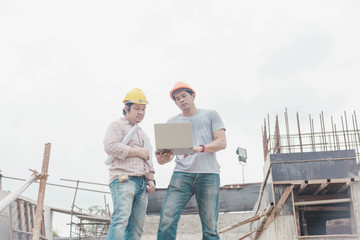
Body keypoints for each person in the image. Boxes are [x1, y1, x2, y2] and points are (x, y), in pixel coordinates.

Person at [156, 81, 226, 240]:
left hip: (208, 174)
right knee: (167, 218)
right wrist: (161, 158)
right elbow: (165, 159)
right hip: (181, 175)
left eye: (184, 96)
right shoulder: (171, 122)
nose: (181, 100)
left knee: (210, 227)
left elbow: (222, 142)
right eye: (177, 98)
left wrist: (199, 148)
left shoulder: (210, 115)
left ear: (193, 95)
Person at [104, 88, 156, 240]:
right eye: (137, 108)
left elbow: (149, 158)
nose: (141, 112)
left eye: (143, 109)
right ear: (126, 108)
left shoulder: (142, 133)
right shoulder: (117, 125)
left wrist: (151, 178)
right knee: (121, 220)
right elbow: (110, 146)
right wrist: (138, 151)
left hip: (142, 183)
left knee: (137, 227)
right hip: (123, 178)